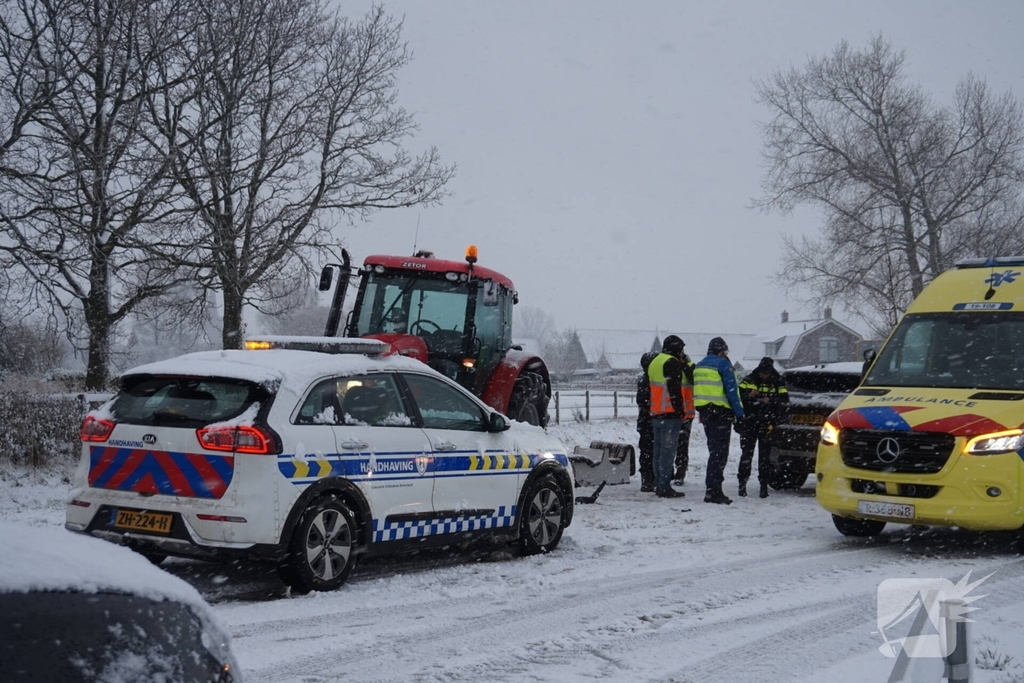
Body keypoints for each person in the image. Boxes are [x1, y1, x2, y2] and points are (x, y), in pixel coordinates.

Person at [693, 337, 745, 505]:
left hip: (706, 414)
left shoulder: (699, 365)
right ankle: (714, 490)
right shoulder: (723, 365)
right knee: (720, 454)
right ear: (722, 350)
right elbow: (732, 391)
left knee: (713, 451)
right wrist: (740, 414)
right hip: (721, 413)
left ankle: (711, 489)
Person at [645, 335, 692, 498]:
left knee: (658, 451)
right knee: (668, 452)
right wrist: (680, 411)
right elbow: (674, 389)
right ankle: (664, 486)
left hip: (656, 412)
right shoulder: (671, 362)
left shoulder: (655, 362)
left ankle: (658, 483)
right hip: (670, 413)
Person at [737, 357, 789, 498]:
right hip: (750, 421)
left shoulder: (778, 381)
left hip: (768, 424)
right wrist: (749, 395)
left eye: (766, 373)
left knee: (765, 457)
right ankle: (742, 484)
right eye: (761, 372)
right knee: (746, 454)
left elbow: (785, 400)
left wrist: (771, 400)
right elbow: (738, 395)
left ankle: (763, 486)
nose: (763, 376)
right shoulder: (749, 379)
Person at [672, 350, 696, 487]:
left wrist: (684, 365)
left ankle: (680, 473)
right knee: (673, 444)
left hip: (685, 412)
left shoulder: (691, 367)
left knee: (681, 445)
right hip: (673, 411)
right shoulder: (670, 366)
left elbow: (694, 380)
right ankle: (674, 472)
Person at [636, 352, 656, 492]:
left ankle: (647, 478)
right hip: (651, 420)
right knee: (651, 450)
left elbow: (641, 401)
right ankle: (650, 478)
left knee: (646, 450)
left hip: (645, 421)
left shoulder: (644, 380)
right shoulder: (651, 381)